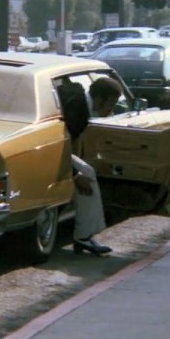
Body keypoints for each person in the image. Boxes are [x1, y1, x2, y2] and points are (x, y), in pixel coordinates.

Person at [57, 75, 124, 255]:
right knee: (87, 175)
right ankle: (84, 237)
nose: (111, 110)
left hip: (53, 148)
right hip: (50, 150)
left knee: (87, 170)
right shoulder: (75, 111)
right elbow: (60, 145)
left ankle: (84, 236)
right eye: (111, 104)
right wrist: (74, 176)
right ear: (99, 99)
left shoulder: (79, 103)